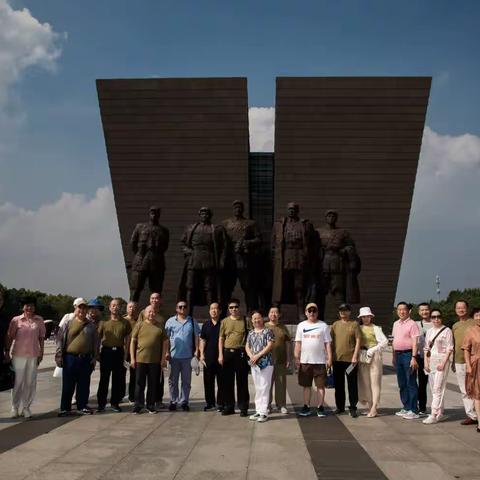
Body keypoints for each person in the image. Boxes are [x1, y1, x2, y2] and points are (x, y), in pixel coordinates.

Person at [178, 206, 228, 316]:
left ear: (210, 215)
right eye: (202, 213)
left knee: (209, 288)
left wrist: (221, 261)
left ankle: (213, 315)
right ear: (199, 215)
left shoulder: (216, 229)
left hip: (209, 262)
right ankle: (188, 314)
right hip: (193, 261)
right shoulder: (191, 228)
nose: (204, 215)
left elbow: (225, 246)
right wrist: (187, 250)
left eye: (207, 213)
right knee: (190, 287)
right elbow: (183, 243)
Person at [271, 202, 316, 321]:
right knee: (280, 286)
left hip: (299, 257)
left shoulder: (305, 224)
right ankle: (276, 311)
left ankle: (301, 312)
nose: (291, 211)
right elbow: (273, 244)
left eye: (294, 209)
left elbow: (312, 244)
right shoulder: (280, 224)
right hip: (283, 258)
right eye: (289, 209)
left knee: (299, 286)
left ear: (297, 210)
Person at [56, 298, 98, 416]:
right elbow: (59, 340)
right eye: (80, 308)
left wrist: (95, 357)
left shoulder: (91, 325)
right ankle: (65, 408)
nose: (82, 310)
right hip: (70, 358)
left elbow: (96, 342)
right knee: (68, 384)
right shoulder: (68, 323)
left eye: (85, 308)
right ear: (76, 309)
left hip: (85, 358)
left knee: (84, 384)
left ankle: (82, 406)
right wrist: (59, 355)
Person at [5, 297, 45, 419]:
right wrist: (7, 352)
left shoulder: (39, 320)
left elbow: (41, 338)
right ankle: (14, 407)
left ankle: (26, 407)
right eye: (27, 305)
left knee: (30, 382)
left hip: (33, 355)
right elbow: (9, 336)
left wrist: (41, 353)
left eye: (32, 305)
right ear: (23, 307)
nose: (29, 308)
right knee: (17, 382)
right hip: (18, 355)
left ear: (35, 307)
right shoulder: (16, 320)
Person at [316, 209, 361, 316]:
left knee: (339, 293)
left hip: (337, 265)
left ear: (336, 218)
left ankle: (343, 318)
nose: (331, 218)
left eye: (333, 216)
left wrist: (345, 250)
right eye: (329, 216)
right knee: (320, 294)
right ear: (325, 218)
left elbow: (351, 246)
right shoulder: (318, 232)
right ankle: (319, 319)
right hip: (322, 265)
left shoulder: (343, 233)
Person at [222, 200, 262, 312]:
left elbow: (259, 239)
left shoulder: (250, 223)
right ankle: (224, 313)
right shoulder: (225, 224)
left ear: (243, 209)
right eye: (236, 207)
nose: (238, 209)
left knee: (248, 286)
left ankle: (251, 310)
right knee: (227, 287)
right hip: (229, 259)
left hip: (244, 258)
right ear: (233, 209)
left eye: (240, 207)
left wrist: (247, 243)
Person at [294, 302, 332, 417]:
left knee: (320, 386)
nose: (312, 313)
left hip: (319, 361)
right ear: (306, 313)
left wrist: (329, 358)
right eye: (309, 311)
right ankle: (306, 406)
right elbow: (298, 343)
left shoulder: (323, 326)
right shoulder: (301, 326)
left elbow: (328, 344)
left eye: (314, 311)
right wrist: (296, 357)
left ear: (317, 312)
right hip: (305, 361)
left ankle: (320, 407)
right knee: (306, 386)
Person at [130, 305, 168, 414]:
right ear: (145, 313)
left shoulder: (160, 326)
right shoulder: (139, 325)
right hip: (140, 360)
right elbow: (133, 341)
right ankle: (138, 405)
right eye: (149, 312)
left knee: (152, 384)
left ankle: (150, 404)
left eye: (153, 312)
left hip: (154, 361)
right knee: (139, 384)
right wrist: (132, 358)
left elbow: (165, 342)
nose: (151, 314)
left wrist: (163, 359)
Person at [96, 298, 131, 412]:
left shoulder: (125, 322)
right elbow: (98, 338)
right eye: (113, 305)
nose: (116, 307)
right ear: (110, 307)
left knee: (118, 379)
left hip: (119, 352)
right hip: (106, 352)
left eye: (118, 305)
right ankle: (101, 403)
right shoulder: (103, 322)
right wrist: (96, 353)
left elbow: (127, 339)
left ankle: (115, 403)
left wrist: (125, 355)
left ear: (120, 308)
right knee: (104, 379)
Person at [165, 301, 200, 411]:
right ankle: (173, 401)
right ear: (176, 309)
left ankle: (184, 401)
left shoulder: (192, 321)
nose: (182, 308)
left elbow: (196, 337)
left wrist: (197, 350)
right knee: (173, 381)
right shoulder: (170, 321)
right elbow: (165, 339)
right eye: (180, 307)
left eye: (185, 307)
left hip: (187, 356)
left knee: (186, 381)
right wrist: (166, 352)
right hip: (173, 356)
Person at [129, 206, 170, 302]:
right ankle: (131, 312)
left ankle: (155, 313)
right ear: (149, 214)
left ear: (159, 215)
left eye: (156, 213)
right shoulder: (140, 227)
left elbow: (165, 247)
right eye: (152, 212)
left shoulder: (164, 230)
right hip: (141, 261)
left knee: (156, 291)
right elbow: (133, 243)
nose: (154, 214)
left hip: (157, 263)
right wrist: (139, 254)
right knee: (136, 289)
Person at [218, 298, 250, 416]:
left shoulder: (245, 320)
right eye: (231, 307)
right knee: (227, 381)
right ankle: (229, 406)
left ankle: (243, 407)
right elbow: (221, 338)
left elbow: (250, 336)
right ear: (228, 309)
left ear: (239, 307)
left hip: (241, 353)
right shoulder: (224, 321)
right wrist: (220, 355)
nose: (233, 309)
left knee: (242, 381)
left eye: (235, 307)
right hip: (227, 354)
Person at [422, 309, 454, 424]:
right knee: (433, 389)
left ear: (442, 318)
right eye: (433, 317)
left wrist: (443, 363)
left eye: (438, 317)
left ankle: (433, 414)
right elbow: (426, 348)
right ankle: (440, 411)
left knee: (437, 389)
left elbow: (450, 348)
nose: (436, 319)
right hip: (431, 362)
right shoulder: (429, 331)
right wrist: (426, 362)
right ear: (431, 318)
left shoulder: (447, 331)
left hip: (441, 362)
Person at [331, 303, 361, 417]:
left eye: (345, 310)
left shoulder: (354, 324)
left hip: (350, 360)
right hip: (337, 359)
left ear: (349, 312)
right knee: (338, 384)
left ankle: (353, 407)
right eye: (341, 310)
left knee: (352, 384)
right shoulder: (335, 325)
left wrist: (355, 356)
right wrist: (329, 357)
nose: (343, 312)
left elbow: (358, 340)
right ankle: (340, 407)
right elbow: (331, 342)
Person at [357, 306, 388, 418]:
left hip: (374, 357)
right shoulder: (358, 328)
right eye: (363, 317)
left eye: (367, 316)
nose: (366, 318)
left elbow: (384, 342)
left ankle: (374, 407)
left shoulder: (375, 328)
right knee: (365, 383)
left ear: (371, 317)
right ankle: (369, 406)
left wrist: (373, 349)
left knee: (375, 383)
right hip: (363, 357)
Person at [137, 292, 166, 409]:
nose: (154, 300)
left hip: (157, 353)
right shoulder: (143, 313)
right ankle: (138, 402)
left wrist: (165, 353)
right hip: (143, 354)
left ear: (160, 300)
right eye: (152, 298)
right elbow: (138, 328)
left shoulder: (163, 316)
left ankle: (157, 400)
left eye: (157, 298)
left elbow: (165, 336)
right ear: (150, 300)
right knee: (140, 381)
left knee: (158, 379)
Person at [392, 302, 420, 420]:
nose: (402, 312)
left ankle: (414, 409)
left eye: (404, 309)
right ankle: (406, 406)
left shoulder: (412, 324)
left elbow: (415, 341)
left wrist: (414, 357)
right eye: (399, 309)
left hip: (408, 355)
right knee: (402, 383)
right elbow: (394, 340)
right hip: (398, 355)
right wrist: (393, 357)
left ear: (409, 311)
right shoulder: (395, 324)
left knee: (411, 382)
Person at [246, 312, 275, 422]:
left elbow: (270, 345)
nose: (256, 320)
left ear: (262, 319)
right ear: (252, 321)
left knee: (265, 386)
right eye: (254, 319)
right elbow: (247, 346)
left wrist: (258, 355)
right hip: (254, 363)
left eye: (258, 318)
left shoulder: (268, 331)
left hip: (266, 363)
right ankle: (258, 411)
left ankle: (264, 412)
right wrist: (251, 356)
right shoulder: (251, 333)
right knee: (258, 387)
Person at [452, 299, 477, 425]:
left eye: (463, 307)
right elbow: (454, 344)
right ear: (455, 310)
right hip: (459, 361)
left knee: (476, 389)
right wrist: (452, 362)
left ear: (467, 308)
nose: (461, 310)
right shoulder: (455, 326)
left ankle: (478, 413)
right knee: (464, 390)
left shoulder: (474, 323)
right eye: (458, 308)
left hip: (473, 361)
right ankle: (471, 415)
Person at [265, 306, 291, 414]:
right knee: (267, 384)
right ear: (268, 314)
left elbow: (288, 343)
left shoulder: (283, 327)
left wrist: (289, 358)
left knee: (281, 384)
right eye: (271, 312)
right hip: (267, 361)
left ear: (279, 315)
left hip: (281, 359)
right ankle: (267, 405)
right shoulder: (264, 326)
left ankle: (281, 405)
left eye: (276, 312)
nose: (273, 314)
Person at [199, 302, 224, 411]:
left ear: (220, 311)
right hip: (208, 357)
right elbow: (202, 340)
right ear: (209, 311)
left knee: (221, 381)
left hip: (221, 357)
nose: (214, 311)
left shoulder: (223, 324)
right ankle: (210, 403)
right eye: (212, 309)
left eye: (216, 309)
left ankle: (220, 403)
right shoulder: (206, 325)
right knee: (208, 382)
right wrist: (202, 354)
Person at [463, 307, 480, 432]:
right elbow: (466, 350)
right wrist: (468, 366)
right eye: (477, 315)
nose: (479, 317)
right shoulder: (470, 330)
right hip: (476, 365)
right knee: (477, 394)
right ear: (473, 318)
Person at [416, 303, 433, 415]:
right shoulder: (416, 324)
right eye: (422, 310)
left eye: (426, 310)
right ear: (418, 312)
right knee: (422, 383)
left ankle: (437, 407)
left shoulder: (435, 323)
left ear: (430, 310)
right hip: (421, 357)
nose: (424, 312)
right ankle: (422, 407)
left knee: (435, 384)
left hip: (434, 358)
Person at [124, 301, 139, 403]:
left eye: (134, 307)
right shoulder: (122, 320)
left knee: (134, 375)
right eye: (130, 307)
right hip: (124, 351)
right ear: (126, 309)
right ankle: (119, 395)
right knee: (121, 375)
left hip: (135, 352)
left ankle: (132, 396)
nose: (131, 309)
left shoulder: (139, 321)